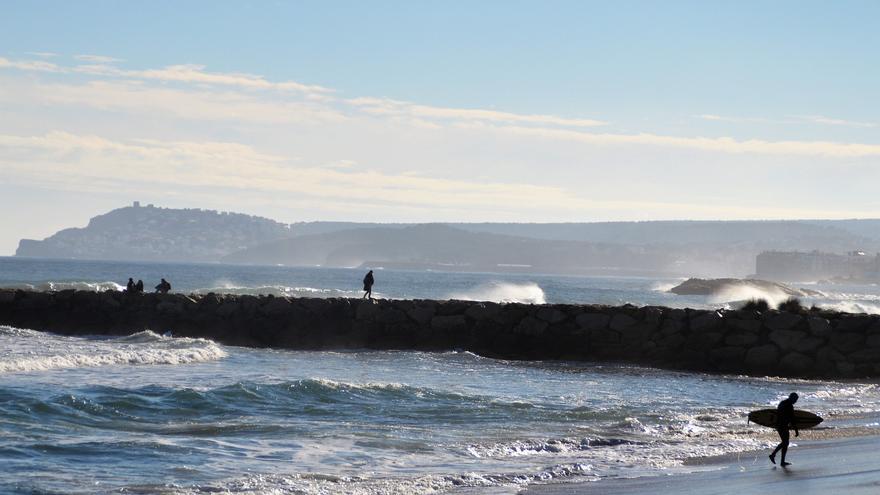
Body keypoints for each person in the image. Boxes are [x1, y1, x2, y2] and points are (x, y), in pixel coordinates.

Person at [770, 392, 799, 466]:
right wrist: (796, 431)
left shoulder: (782, 403)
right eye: (795, 400)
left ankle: (782, 461)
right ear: (792, 398)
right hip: (783, 426)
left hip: (779, 425)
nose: (795, 401)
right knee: (785, 442)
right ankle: (773, 455)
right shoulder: (789, 406)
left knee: (785, 443)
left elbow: (778, 413)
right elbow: (792, 419)